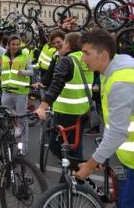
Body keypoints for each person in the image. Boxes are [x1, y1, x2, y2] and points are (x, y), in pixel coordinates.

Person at [76, 29, 134, 208]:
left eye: (86, 53)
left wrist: (91, 164)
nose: (83, 58)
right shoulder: (110, 73)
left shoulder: (121, 81)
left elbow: (117, 131)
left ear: (104, 55)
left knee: (131, 204)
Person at [35, 32, 94, 160]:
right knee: (76, 145)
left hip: (66, 111)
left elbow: (56, 85)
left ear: (68, 45)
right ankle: (72, 176)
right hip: (83, 111)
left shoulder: (67, 61)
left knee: (56, 146)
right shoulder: (86, 59)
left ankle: (72, 172)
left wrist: (42, 107)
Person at [0, 35, 34, 155]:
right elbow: (5, 72)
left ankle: (24, 148)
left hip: (20, 92)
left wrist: (23, 72)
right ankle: (8, 142)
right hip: (6, 91)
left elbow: (31, 71)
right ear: (8, 45)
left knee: (23, 120)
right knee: (7, 118)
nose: (15, 47)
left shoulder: (25, 55)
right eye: (13, 44)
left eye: (17, 44)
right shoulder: (4, 56)